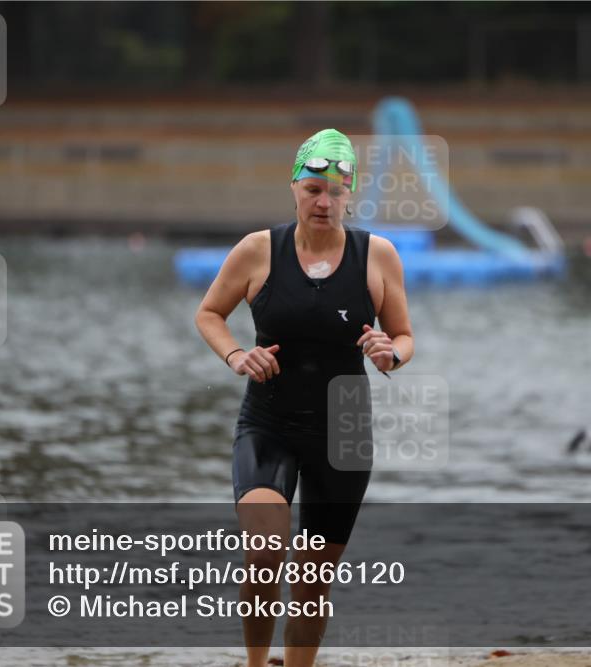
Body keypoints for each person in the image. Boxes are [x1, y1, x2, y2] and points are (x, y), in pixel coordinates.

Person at [195, 128, 413, 667]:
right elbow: (209, 314)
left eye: (336, 192)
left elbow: (404, 335)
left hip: (344, 433)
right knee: (266, 551)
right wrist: (235, 355)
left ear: (349, 196)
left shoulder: (377, 255)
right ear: (293, 187)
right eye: (314, 188)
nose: (324, 201)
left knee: (313, 581)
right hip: (268, 421)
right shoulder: (257, 250)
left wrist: (391, 355)